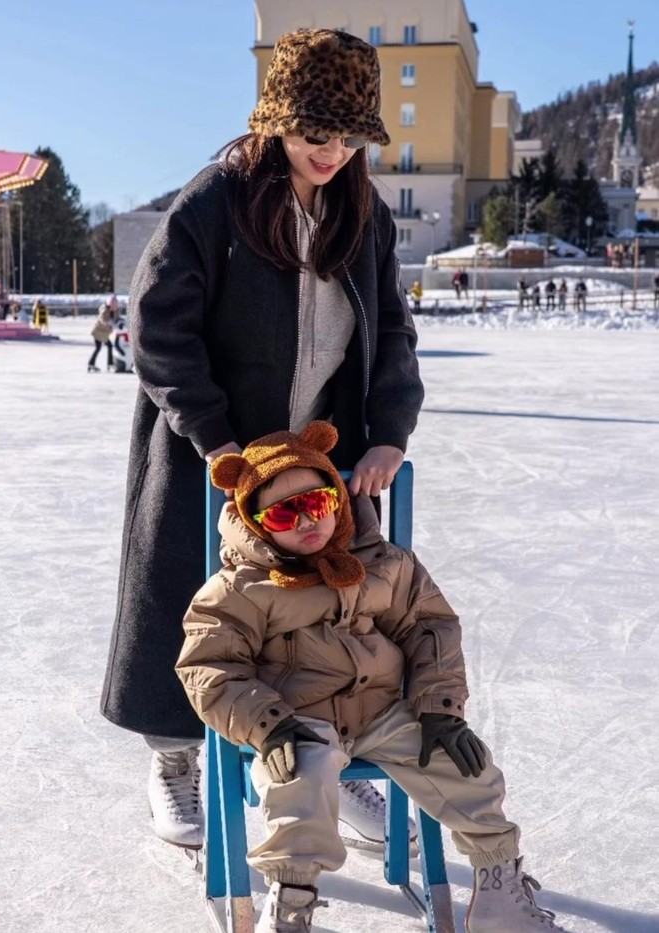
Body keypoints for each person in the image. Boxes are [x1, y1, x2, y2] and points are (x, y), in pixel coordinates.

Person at [100, 28, 424, 855]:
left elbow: (391, 336)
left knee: (329, 607)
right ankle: (174, 755)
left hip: (317, 459)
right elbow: (158, 326)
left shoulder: (362, 211)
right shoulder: (219, 199)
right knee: (196, 604)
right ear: (279, 119)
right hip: (216, 453)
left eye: (352, 137)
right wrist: (212, 437)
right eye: (319, 133)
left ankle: (333, 757)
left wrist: (386, 432)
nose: (334, 151)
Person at [176, 422, 572, 933]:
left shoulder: (386, 565)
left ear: (338, 500)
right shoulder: (240, 588)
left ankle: (498, 893)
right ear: (256, 523)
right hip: (299, 718)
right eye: (282, 512)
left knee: (468, 770)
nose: (306, 521)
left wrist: (439, 706)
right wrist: (267, 722)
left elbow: (431, 627)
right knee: (299, 779)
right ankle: (291, 902)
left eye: (317, 503)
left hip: (384, 711)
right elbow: (210, 664)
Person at [87, 295, 119, 372]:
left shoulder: (115, 310)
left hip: (104, 334)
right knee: (98, 348)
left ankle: (109, 364)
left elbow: (117, 317)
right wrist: (109, 322)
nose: (113, 309)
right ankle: (91, 364)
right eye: (111, 307)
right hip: (98, 332)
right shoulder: (104, 310)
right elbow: (103, 319)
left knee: (109, 346)